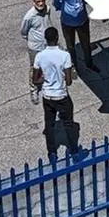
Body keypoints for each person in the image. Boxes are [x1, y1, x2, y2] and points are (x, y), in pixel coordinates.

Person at [33, 27, 88, 161]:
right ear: (57, 38)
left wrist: (45, 79)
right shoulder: (65, 55)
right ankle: (74, 151)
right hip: (61, 95)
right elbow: (69, 81)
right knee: (68, 123)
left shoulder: (39, 56)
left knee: (49, 123)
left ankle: (52, 153)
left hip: (47, 95)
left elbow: (35, 79)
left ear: (46, 39)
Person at [53, 0, 99, 75]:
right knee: (70, 46)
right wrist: (67, 10)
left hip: (82, 21)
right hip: (67, 23)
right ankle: (73, 66)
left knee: (86, 44)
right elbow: (56, 2)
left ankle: (89, 64)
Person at [21, 0, 53, 105]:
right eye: (38, 1)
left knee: (46, 66)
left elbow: (48, 22)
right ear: (33, 2)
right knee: (34, 68)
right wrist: (33, 40)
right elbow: (23, 31)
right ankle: (33, 90)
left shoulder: (47, 9)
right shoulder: (29, 16)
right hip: (35, 46)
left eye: (43, 0)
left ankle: (45, 85)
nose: (41, 3)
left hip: (46, 44)